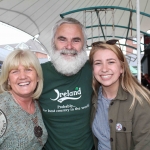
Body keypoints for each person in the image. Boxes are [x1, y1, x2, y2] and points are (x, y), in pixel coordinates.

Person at [39, 18, 94, 150]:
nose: (69, 46)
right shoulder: (38, 74)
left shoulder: (94, 71)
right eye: (62, 39)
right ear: (53, 42)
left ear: (84, 44)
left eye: (76, 40)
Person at [89, 40, 150, 150]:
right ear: (93, 70)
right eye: (98, 63)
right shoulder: (94, 97)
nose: (104, 69)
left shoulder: (139, 101)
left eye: (111, 62)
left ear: (122, 68)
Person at [0, 49, 48, 149]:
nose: (22, 76)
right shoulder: (2, 107)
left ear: (38, 76)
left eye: (28, 69)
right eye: (15, 71)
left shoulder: (38, 104)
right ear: (8, 80)